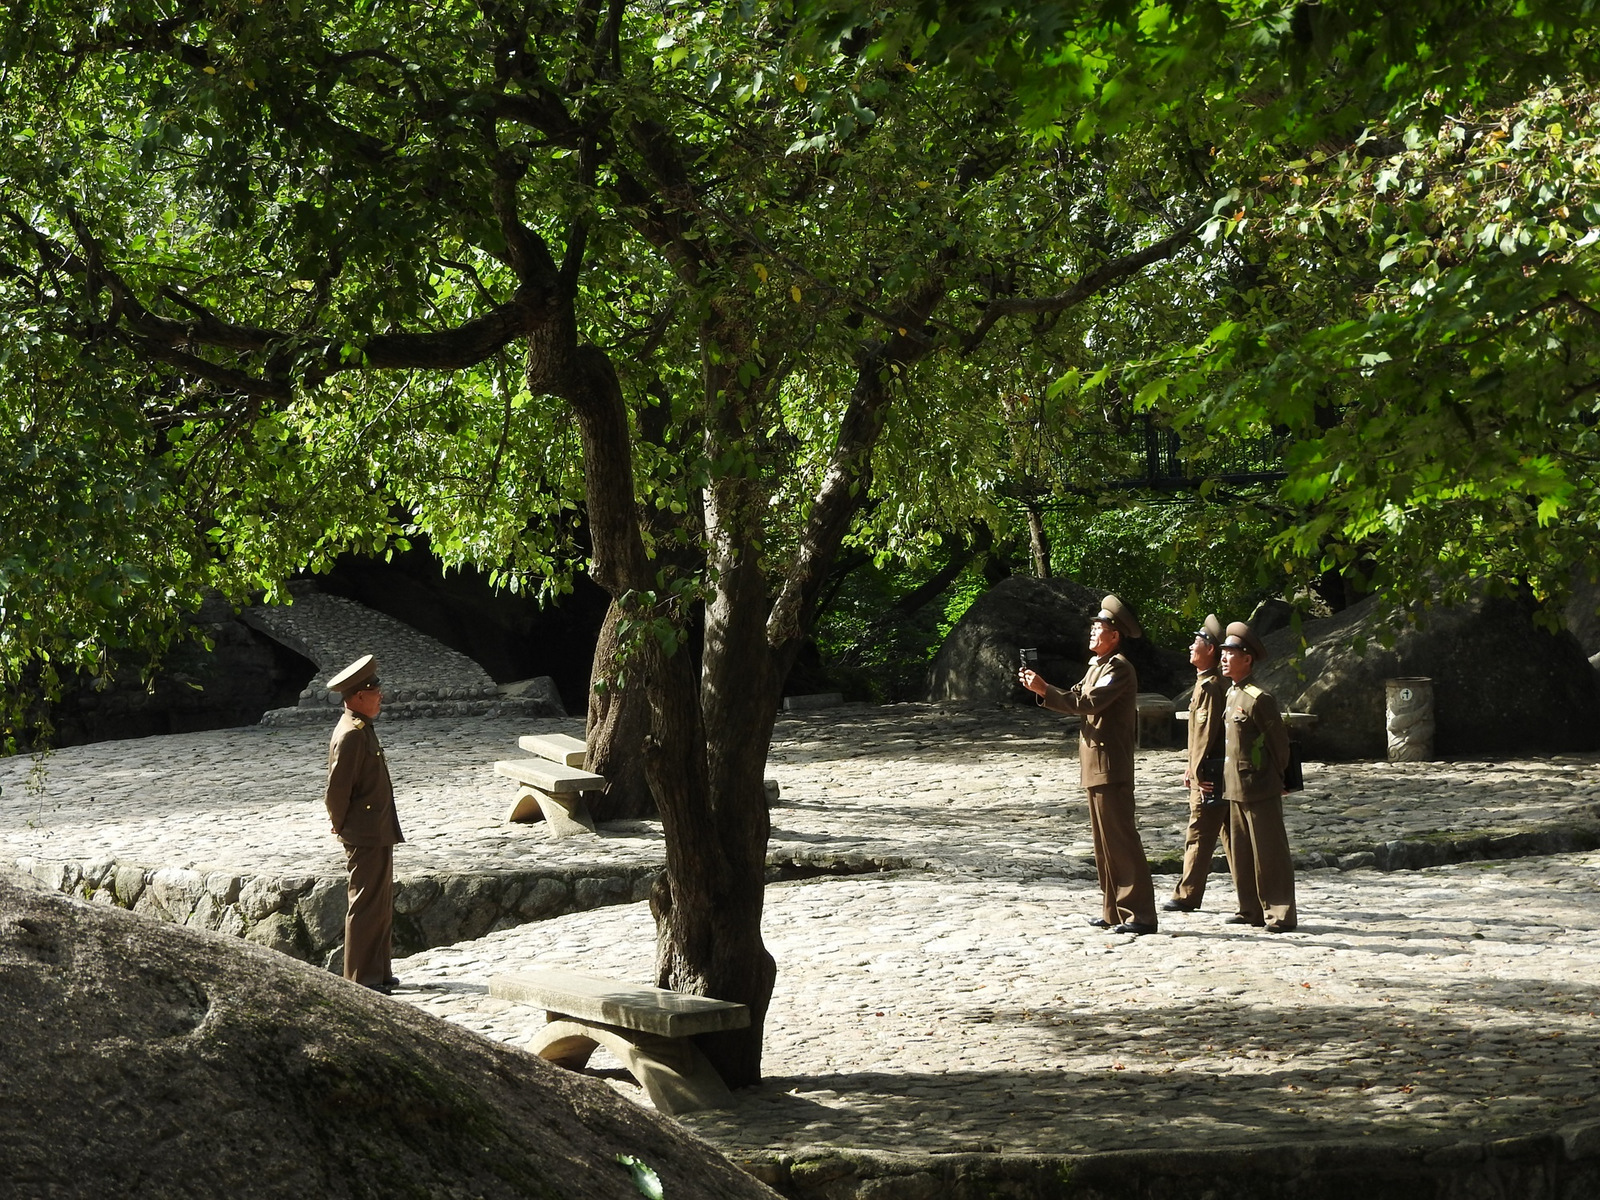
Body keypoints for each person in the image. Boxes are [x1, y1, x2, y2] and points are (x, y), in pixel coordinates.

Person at [1019, 595, 1158, 935]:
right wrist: (1043, 687)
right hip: (1095, 766)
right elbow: (1077, 694)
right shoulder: (1097, 666)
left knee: (1121, 841)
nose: (1094, 632)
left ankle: (1140, 913)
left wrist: (1044, 689)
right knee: (1104, 844)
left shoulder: (1119, 668)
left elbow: (1086, 703)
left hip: (1111, 765)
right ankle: (1113, 910)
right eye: (1094, 626)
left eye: (1101, 628)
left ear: (1115, 636)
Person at [323, 654, 404, 992]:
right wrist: (342, 825)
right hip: (364, 832)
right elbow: (336, 792)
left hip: (377, 828)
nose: (380, 695)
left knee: (380, 904)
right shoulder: (352, 734)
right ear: (358, 697)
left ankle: (379, 972)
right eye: (374, 691)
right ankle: (361, 979)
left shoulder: (362, 728)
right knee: (365, 905)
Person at [1218, 621, 1297, 932]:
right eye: (1222, 652)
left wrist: (1281, 780)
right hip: (1234, 785)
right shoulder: (1232, 694)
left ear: (1247, 658)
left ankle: (1280, 912)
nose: (1223, 657)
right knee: (1241, 852)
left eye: (1230, 653)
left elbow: (1279, 745)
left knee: (1270, 852)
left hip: (1259, 785)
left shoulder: (1259, 698)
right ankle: (1249, 908)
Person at [1164, 614, 1231, 913]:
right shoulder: (1207, 683)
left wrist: (1196, 768)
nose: (1191, 646)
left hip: (1211, 774)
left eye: (1197, 642)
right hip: (1215, 769)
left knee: (1199, 833)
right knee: (1231, 839)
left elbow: (1206, 733)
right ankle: (1252, 895)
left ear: (1211, 650)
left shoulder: (1210, 686)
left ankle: (1186, 895)